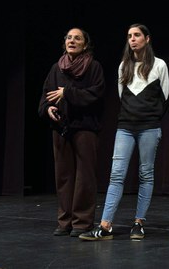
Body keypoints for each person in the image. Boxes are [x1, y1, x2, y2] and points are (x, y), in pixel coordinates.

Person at [79, 23, 169, 241]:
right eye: (129, 36)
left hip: (149, 127)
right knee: (116, 174)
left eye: (137, 35)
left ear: (147, 39)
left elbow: (165, 98)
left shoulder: (159, 65)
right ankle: (105, 225)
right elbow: (123, 97)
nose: (132, 39)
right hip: (125, 127)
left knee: (145, 175)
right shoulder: (123, 67)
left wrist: (149, 118)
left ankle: (139, 223)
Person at [38, 27, 105, 237]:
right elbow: (45, 97)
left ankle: (82, 223)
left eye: (77, 38)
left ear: (85, 44)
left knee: (85, 176)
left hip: (85, 127)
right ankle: (65, 221)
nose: (72, 41)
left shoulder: (93, 67)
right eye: (68, 37)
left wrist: (68, 93)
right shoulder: (56, 68)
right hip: (61, 128)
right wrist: (48, 109)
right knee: (64, 176)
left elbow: (95, 95)